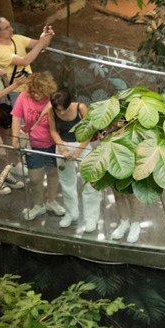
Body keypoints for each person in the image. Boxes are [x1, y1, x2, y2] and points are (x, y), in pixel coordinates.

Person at [11, 72, 64, 220]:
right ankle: (38, 205)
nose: (35, 95)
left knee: (53, 173)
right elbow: (16, 118)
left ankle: (51, 201)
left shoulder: (54, 99)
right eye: (32, 92)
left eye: (39, 92)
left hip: (53, 144)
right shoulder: (23, 97)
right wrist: (15, 140)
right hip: (33, 144)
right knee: (34, 178)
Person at [47, 89, 102, 232]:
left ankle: (91, 219)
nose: (61, 113)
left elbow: (90, 131)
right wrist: (63, 149)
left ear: (68, 103)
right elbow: (53, 131)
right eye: (58, 111)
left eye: (63, 110)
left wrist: (78, 152)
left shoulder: (81, 108)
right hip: (63, 144)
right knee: (66, 183)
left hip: (82, 144)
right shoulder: (51, 110)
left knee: (89, 184)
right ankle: (71, 213)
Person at [0, 17, 54, 104]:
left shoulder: (17, 38)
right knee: (22, 117)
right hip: (17, 92)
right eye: (7, 28)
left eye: (10, 26)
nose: (12, 29)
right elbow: (24, 61)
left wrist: (46, 36)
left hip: (32, 87)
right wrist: (41, 43)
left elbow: (41, 45)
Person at [0, 72, 27, 194]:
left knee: (2, 149)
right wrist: (16, 84)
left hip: (2, 108)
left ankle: (4, 175)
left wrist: (4, 77)